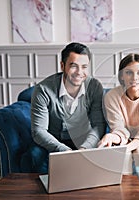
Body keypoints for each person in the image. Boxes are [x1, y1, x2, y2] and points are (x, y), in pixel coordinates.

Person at [26, 42, 106, 172]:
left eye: (84, 67)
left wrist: (84, 149)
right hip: (53, 141)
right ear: (62, 66)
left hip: (84, 141)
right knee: (34, 155)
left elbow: (98, 125)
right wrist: (64, 151)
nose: (79, 72)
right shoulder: (43, 90)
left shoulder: (95, 86)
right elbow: (39, 131)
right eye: (73, 66)